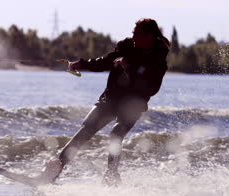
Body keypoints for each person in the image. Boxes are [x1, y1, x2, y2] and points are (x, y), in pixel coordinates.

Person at [42, 18, 170, 186]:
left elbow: (150, 88)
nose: (133, 38)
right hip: (112, 97)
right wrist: (81, 63)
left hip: (134, 103)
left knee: (116, 134)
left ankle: (111, 175)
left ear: (149, 37)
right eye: (133, 34)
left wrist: (128, 68)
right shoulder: (126, 47)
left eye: (137, 35)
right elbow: (105, 61)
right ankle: (52, 172)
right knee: (85, 131)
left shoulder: (158, 60)